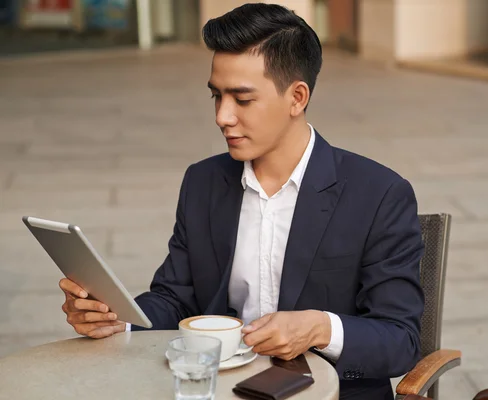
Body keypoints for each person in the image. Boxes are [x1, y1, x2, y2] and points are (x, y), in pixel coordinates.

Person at [59, 3, 425, 399]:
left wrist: (320, 327)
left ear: (297, 97)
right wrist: (119, 320)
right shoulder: (204, 182)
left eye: (242, 99)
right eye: (216, 96)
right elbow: (175, 297)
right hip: (220, 388)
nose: (222, 116)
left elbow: (400, 339)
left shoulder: (378, 194)